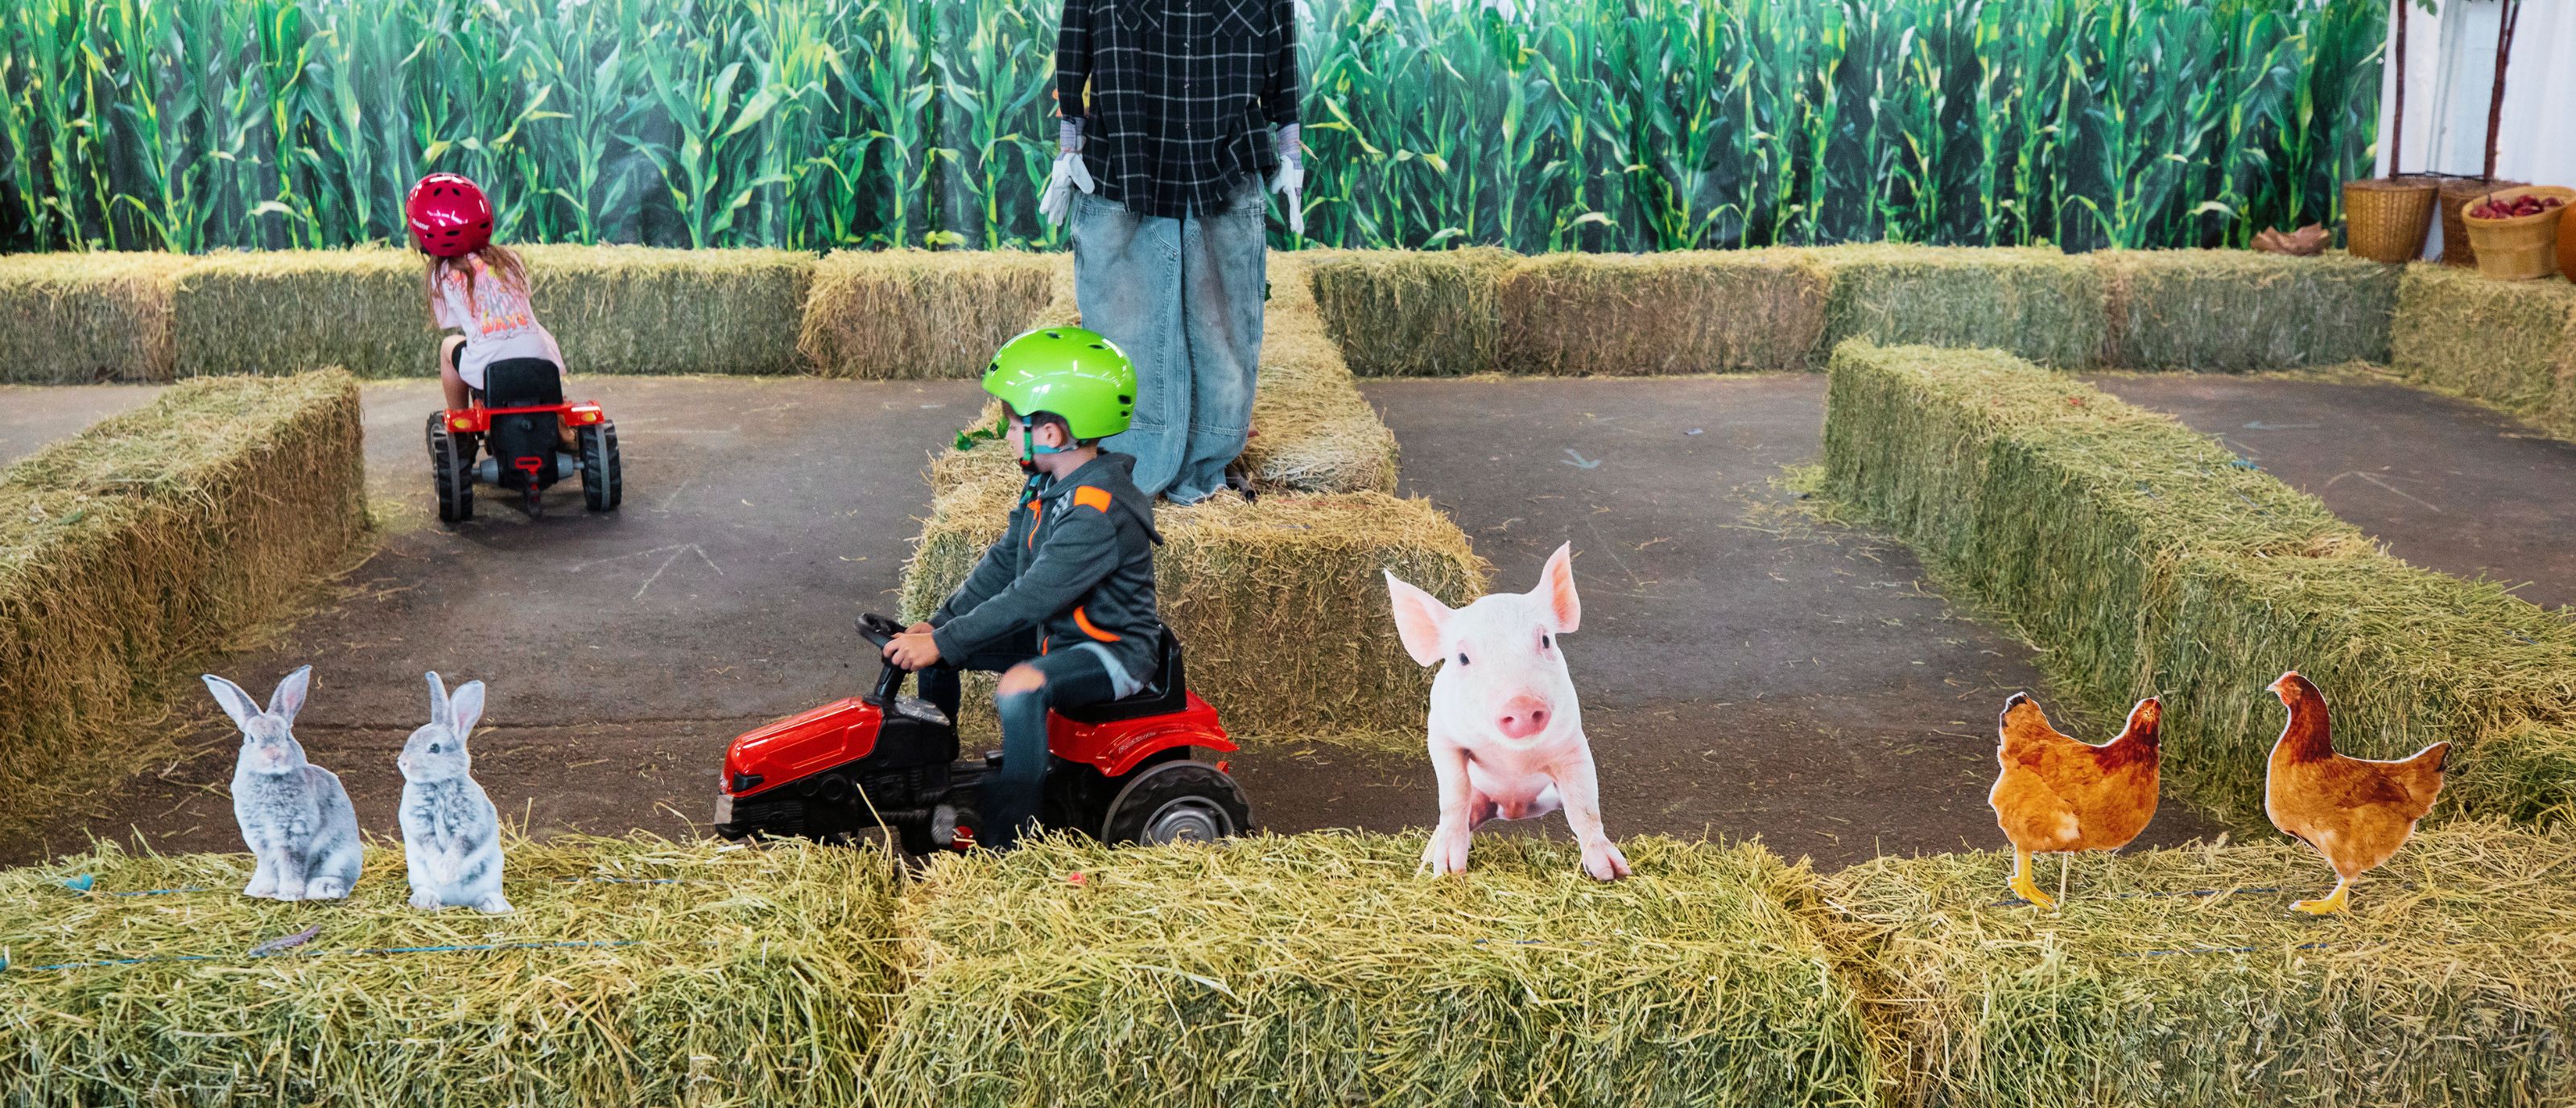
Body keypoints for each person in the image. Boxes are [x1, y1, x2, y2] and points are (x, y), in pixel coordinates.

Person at [881, 326, 1166, 850]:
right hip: (1061, 633)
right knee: (940, 655)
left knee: (1020, 685)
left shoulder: (1096, 511)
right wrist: (941, 627)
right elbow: (1003, 566)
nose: (1008, 433)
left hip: (1111, 649)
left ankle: (1013, 837)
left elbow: (1031, 597)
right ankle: (934, 779)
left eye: (1014, 423)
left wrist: (946, 640)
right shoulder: (1046, 487)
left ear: (1054, 433)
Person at [1041, 0, 1302, 503]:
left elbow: (1283, 60)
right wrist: (1069, 145)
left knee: (1221, 330)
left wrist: (1290, 148)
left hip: (1224, 159)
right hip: (1126, 158)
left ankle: (1207, 466)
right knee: (1126, 322)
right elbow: (1074, 45)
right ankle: (1130, 464)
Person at [407, 173, 566, 435]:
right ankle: (557, 422)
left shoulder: (442, 274)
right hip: (542, 364)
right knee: (535, 332)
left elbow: (452, 323)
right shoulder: (511, 259)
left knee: (450, 346)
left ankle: (460, 427)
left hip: (488, 373)